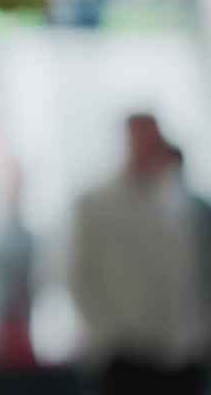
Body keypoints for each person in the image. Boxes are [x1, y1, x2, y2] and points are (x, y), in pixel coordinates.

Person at [68, 114, 211, 395]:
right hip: (124, 354)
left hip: (182, 352)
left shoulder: (179, 203)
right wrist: (106, 335)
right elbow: (78, 275)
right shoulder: (95, 204)